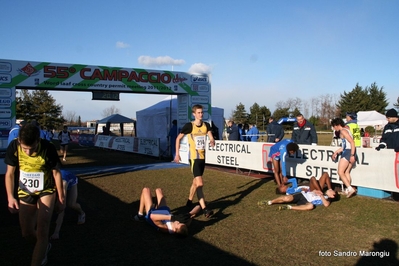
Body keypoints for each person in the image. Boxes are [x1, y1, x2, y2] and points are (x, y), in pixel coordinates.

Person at [5, 123, 65, 266]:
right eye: (24, 148)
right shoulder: (14, 147)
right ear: (19, 141)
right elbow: (9, 174)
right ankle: (44, 247)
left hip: (46, 189)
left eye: (31, 149)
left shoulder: (47, 148)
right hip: (25, 191)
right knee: (26, 233)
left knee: (43, 229)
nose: (28, 152)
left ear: (38, 140)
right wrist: (10, 197)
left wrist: (61, 198)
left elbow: (56, 174)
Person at [174, 104, 215, 218]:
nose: (201, 114)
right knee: (200, 183)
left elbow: (210, 135)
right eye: (198, 113)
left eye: (202, 112)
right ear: (194, 114)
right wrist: (177, 154)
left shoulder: (206, 125)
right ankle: (205, 209)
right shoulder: (189, 126)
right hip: (194, 158)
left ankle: (189, 200)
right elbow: (178, 138)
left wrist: (212, 140)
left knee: (195, 182)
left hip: (202, 158)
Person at [132, 187, 201, 236]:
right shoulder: (182, 227)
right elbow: (198, 207)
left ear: (174, 230)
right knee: (158, 190)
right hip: (164, 211)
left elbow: (152, 216)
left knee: (146, 190)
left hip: (153, 214)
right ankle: (156, 205)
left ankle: (140, 215)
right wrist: (190, 214)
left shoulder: (164, 228)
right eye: (180, 223)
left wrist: (172, 218)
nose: (178, 222)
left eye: (177, 224)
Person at [258, 172, 338, 211]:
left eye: (333, 192)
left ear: (332, 196)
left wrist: (321, 195)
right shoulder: (288, 191)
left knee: (310, 206)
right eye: (281, 187)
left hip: (309, 198)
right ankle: (270, 202)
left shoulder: (327, 199)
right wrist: (329, 189)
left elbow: (327, 204)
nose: (282, 185)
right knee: (287, 199)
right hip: (305, 193)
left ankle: (289, 207)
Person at [50, 170, 86, 240]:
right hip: (59, 181)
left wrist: (56, 232)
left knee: (71, 204)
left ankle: (82, 213)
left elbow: (62, 206)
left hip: (70, 181)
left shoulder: (63, 183)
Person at [331, 118, 357, 198]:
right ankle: (348, 189)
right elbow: (344, 146)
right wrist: (336, 152)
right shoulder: (346, 130)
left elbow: (352, 142)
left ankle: (350, 188)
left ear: (337, 125)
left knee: (340, 172)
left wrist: (352, 155)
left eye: (334, 126)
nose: (334, 128)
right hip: (350, 151)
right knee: (346, 172)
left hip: (348, 152)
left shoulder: (343, 131)